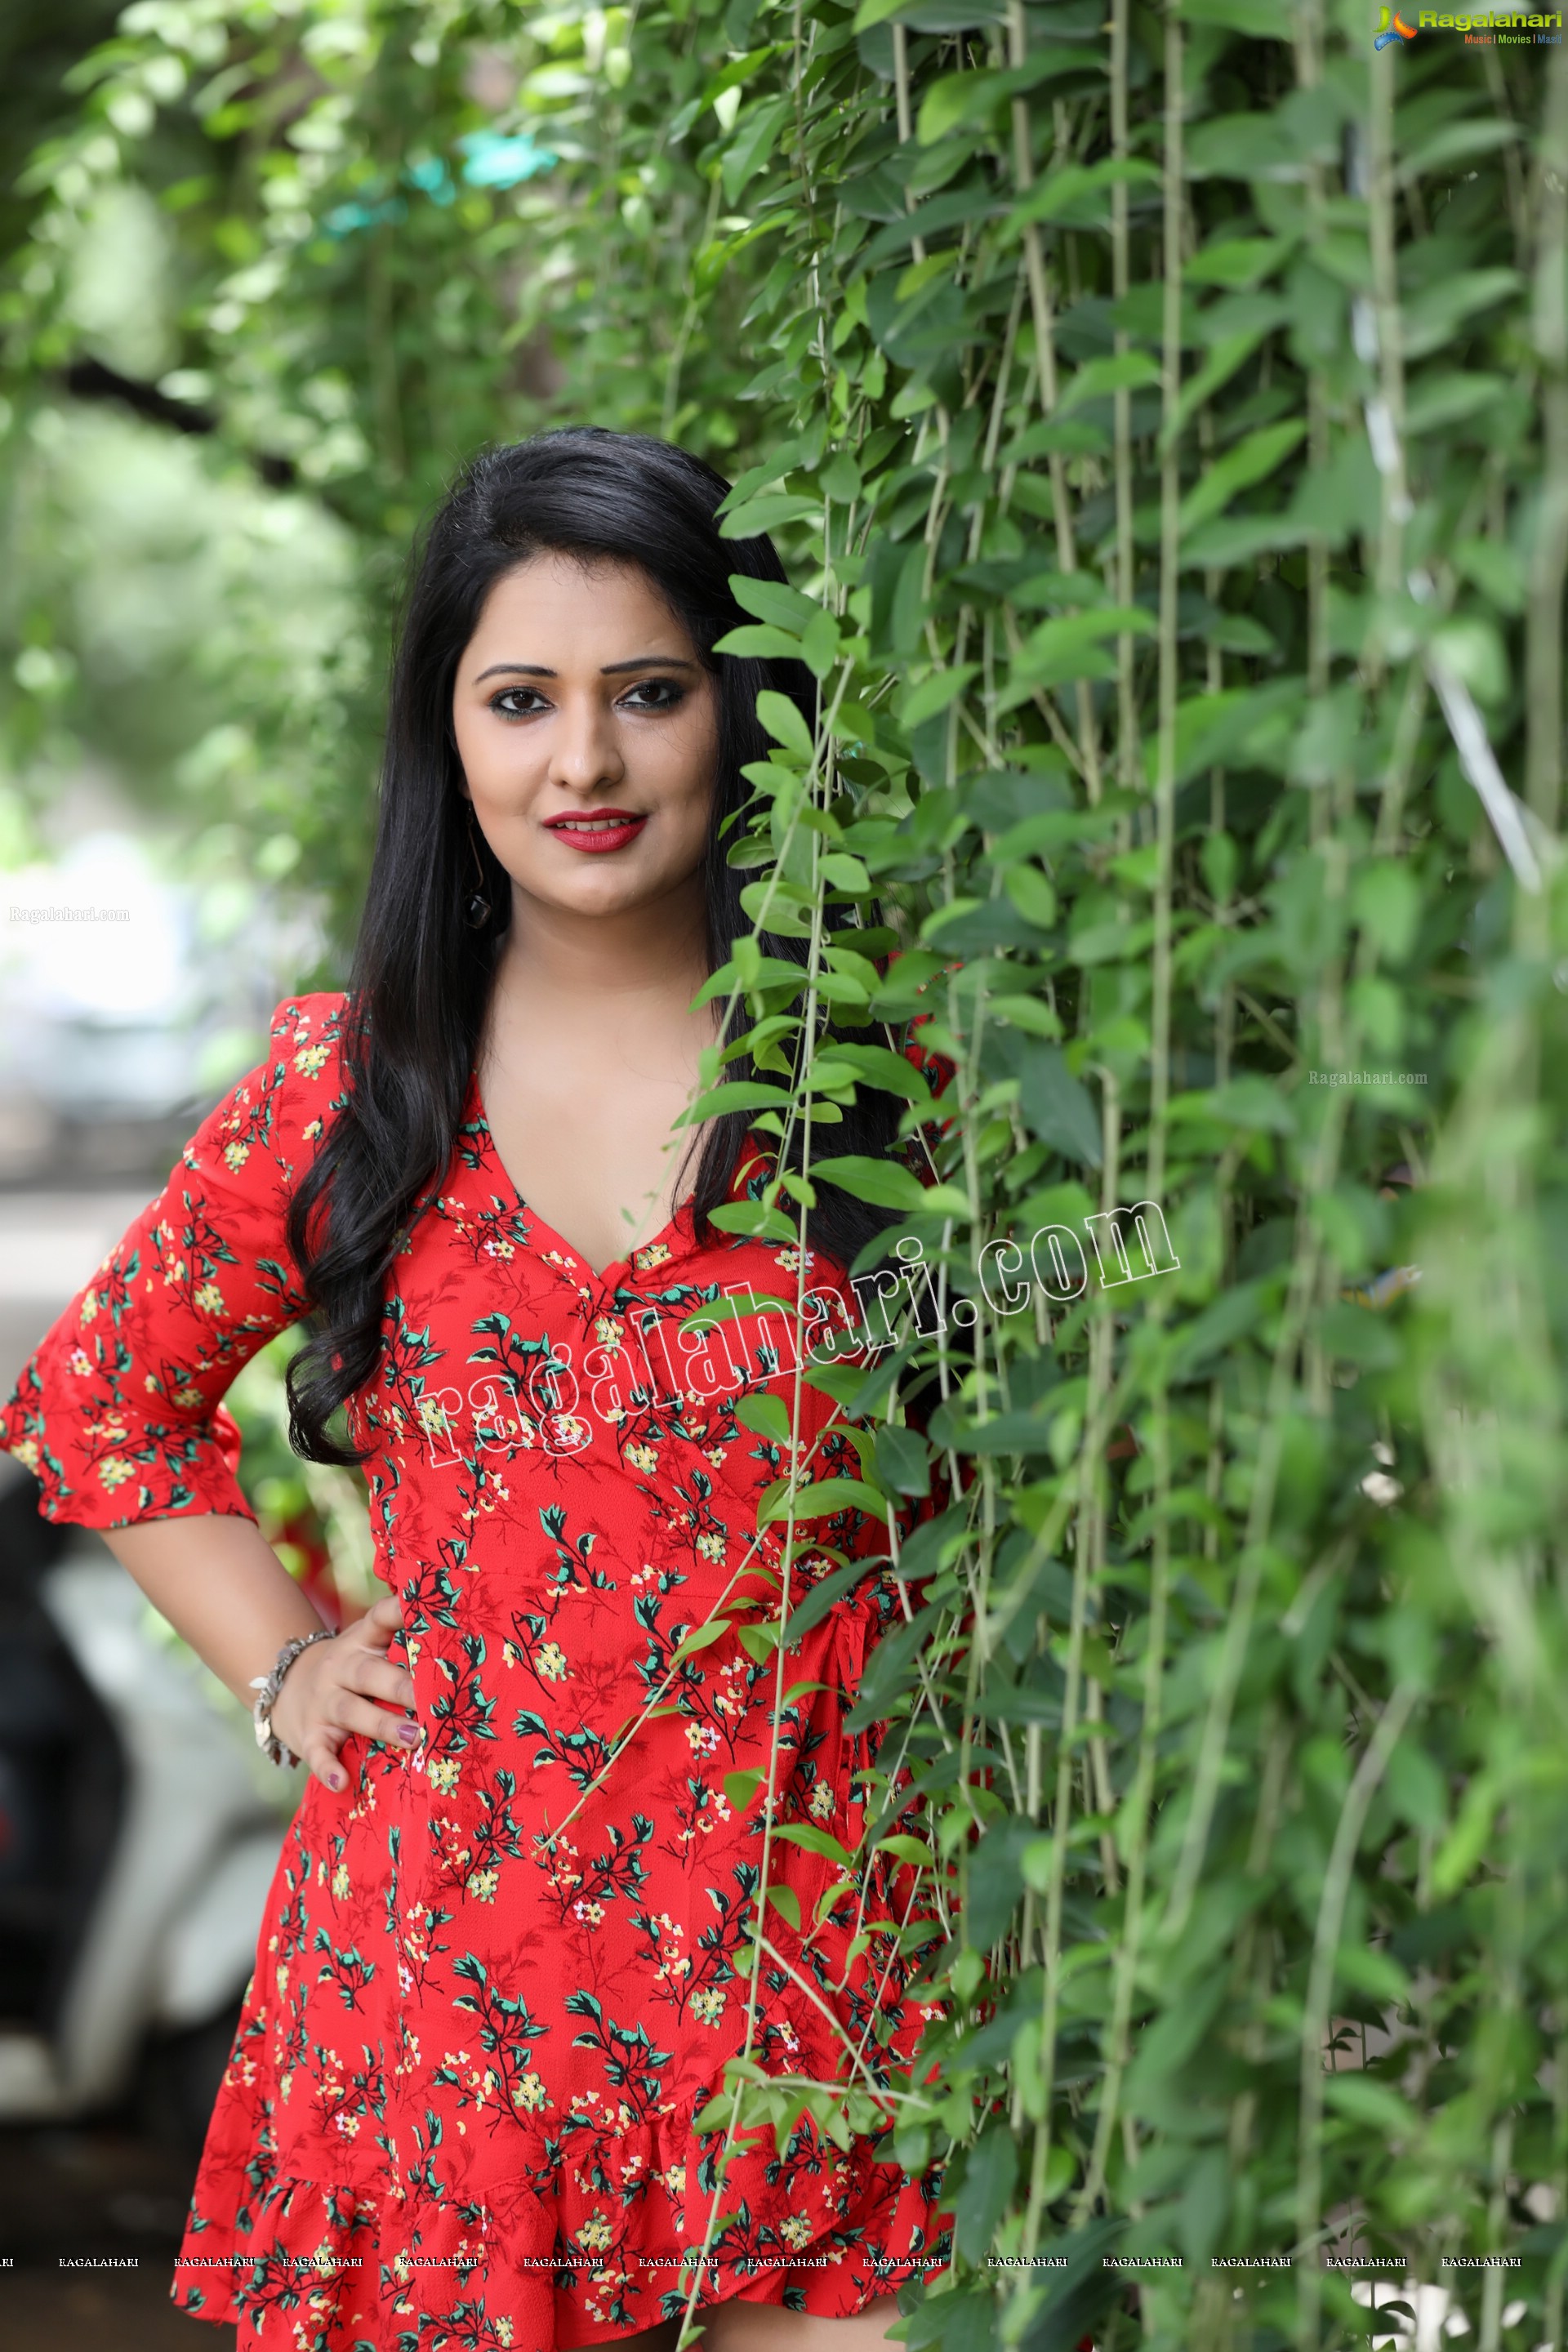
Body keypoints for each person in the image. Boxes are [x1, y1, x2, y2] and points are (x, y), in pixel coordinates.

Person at [1, 430, 949, 2350]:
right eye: (521, 702)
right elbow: (104, 1402)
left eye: (649, 695)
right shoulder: (351, 1093)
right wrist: (286, 1661)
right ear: (453, 737)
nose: (582, 765)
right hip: (451, 2009)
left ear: (739, 712)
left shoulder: (897, 1085)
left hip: (840, 1986)